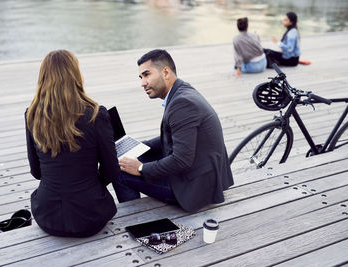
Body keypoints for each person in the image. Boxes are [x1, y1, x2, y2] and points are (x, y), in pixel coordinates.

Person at [113, 49, 234, 213]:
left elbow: (181, 161)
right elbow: (174, 136)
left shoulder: (182, 104)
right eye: (141, 77)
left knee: (119, 170)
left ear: (165, 72)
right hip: (199, 171)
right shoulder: (183, 90)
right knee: (129, 159)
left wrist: (140, 168)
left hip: (193, 188)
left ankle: (136, 220)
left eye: (147, 75)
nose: (142, 83)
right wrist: (140, 146)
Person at [25, 50, 120, 237]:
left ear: (43, 78)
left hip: (47, 216)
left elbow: (36, 172)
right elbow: (111, 171)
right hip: (90, 216)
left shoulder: (32, 114)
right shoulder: (95, 114)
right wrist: (90, 185)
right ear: (76, 75)